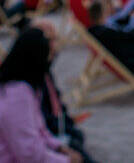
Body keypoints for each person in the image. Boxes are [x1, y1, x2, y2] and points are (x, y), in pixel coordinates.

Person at [0, 26, 81, 163]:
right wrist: (66, 161)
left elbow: (37, 128)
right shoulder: (17, 94)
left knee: (75, 143)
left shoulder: (2, 81)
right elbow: (29, 154)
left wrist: (58, 147)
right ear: (39, 60)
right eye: (50, 56)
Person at [36, 22, 99, 163]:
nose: (54, 46)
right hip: (49, 133)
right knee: (75, 144)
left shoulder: (43, 70)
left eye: (55, 40)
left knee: (77, 137)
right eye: (50, 40)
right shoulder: (29, 82)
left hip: (55, 128)